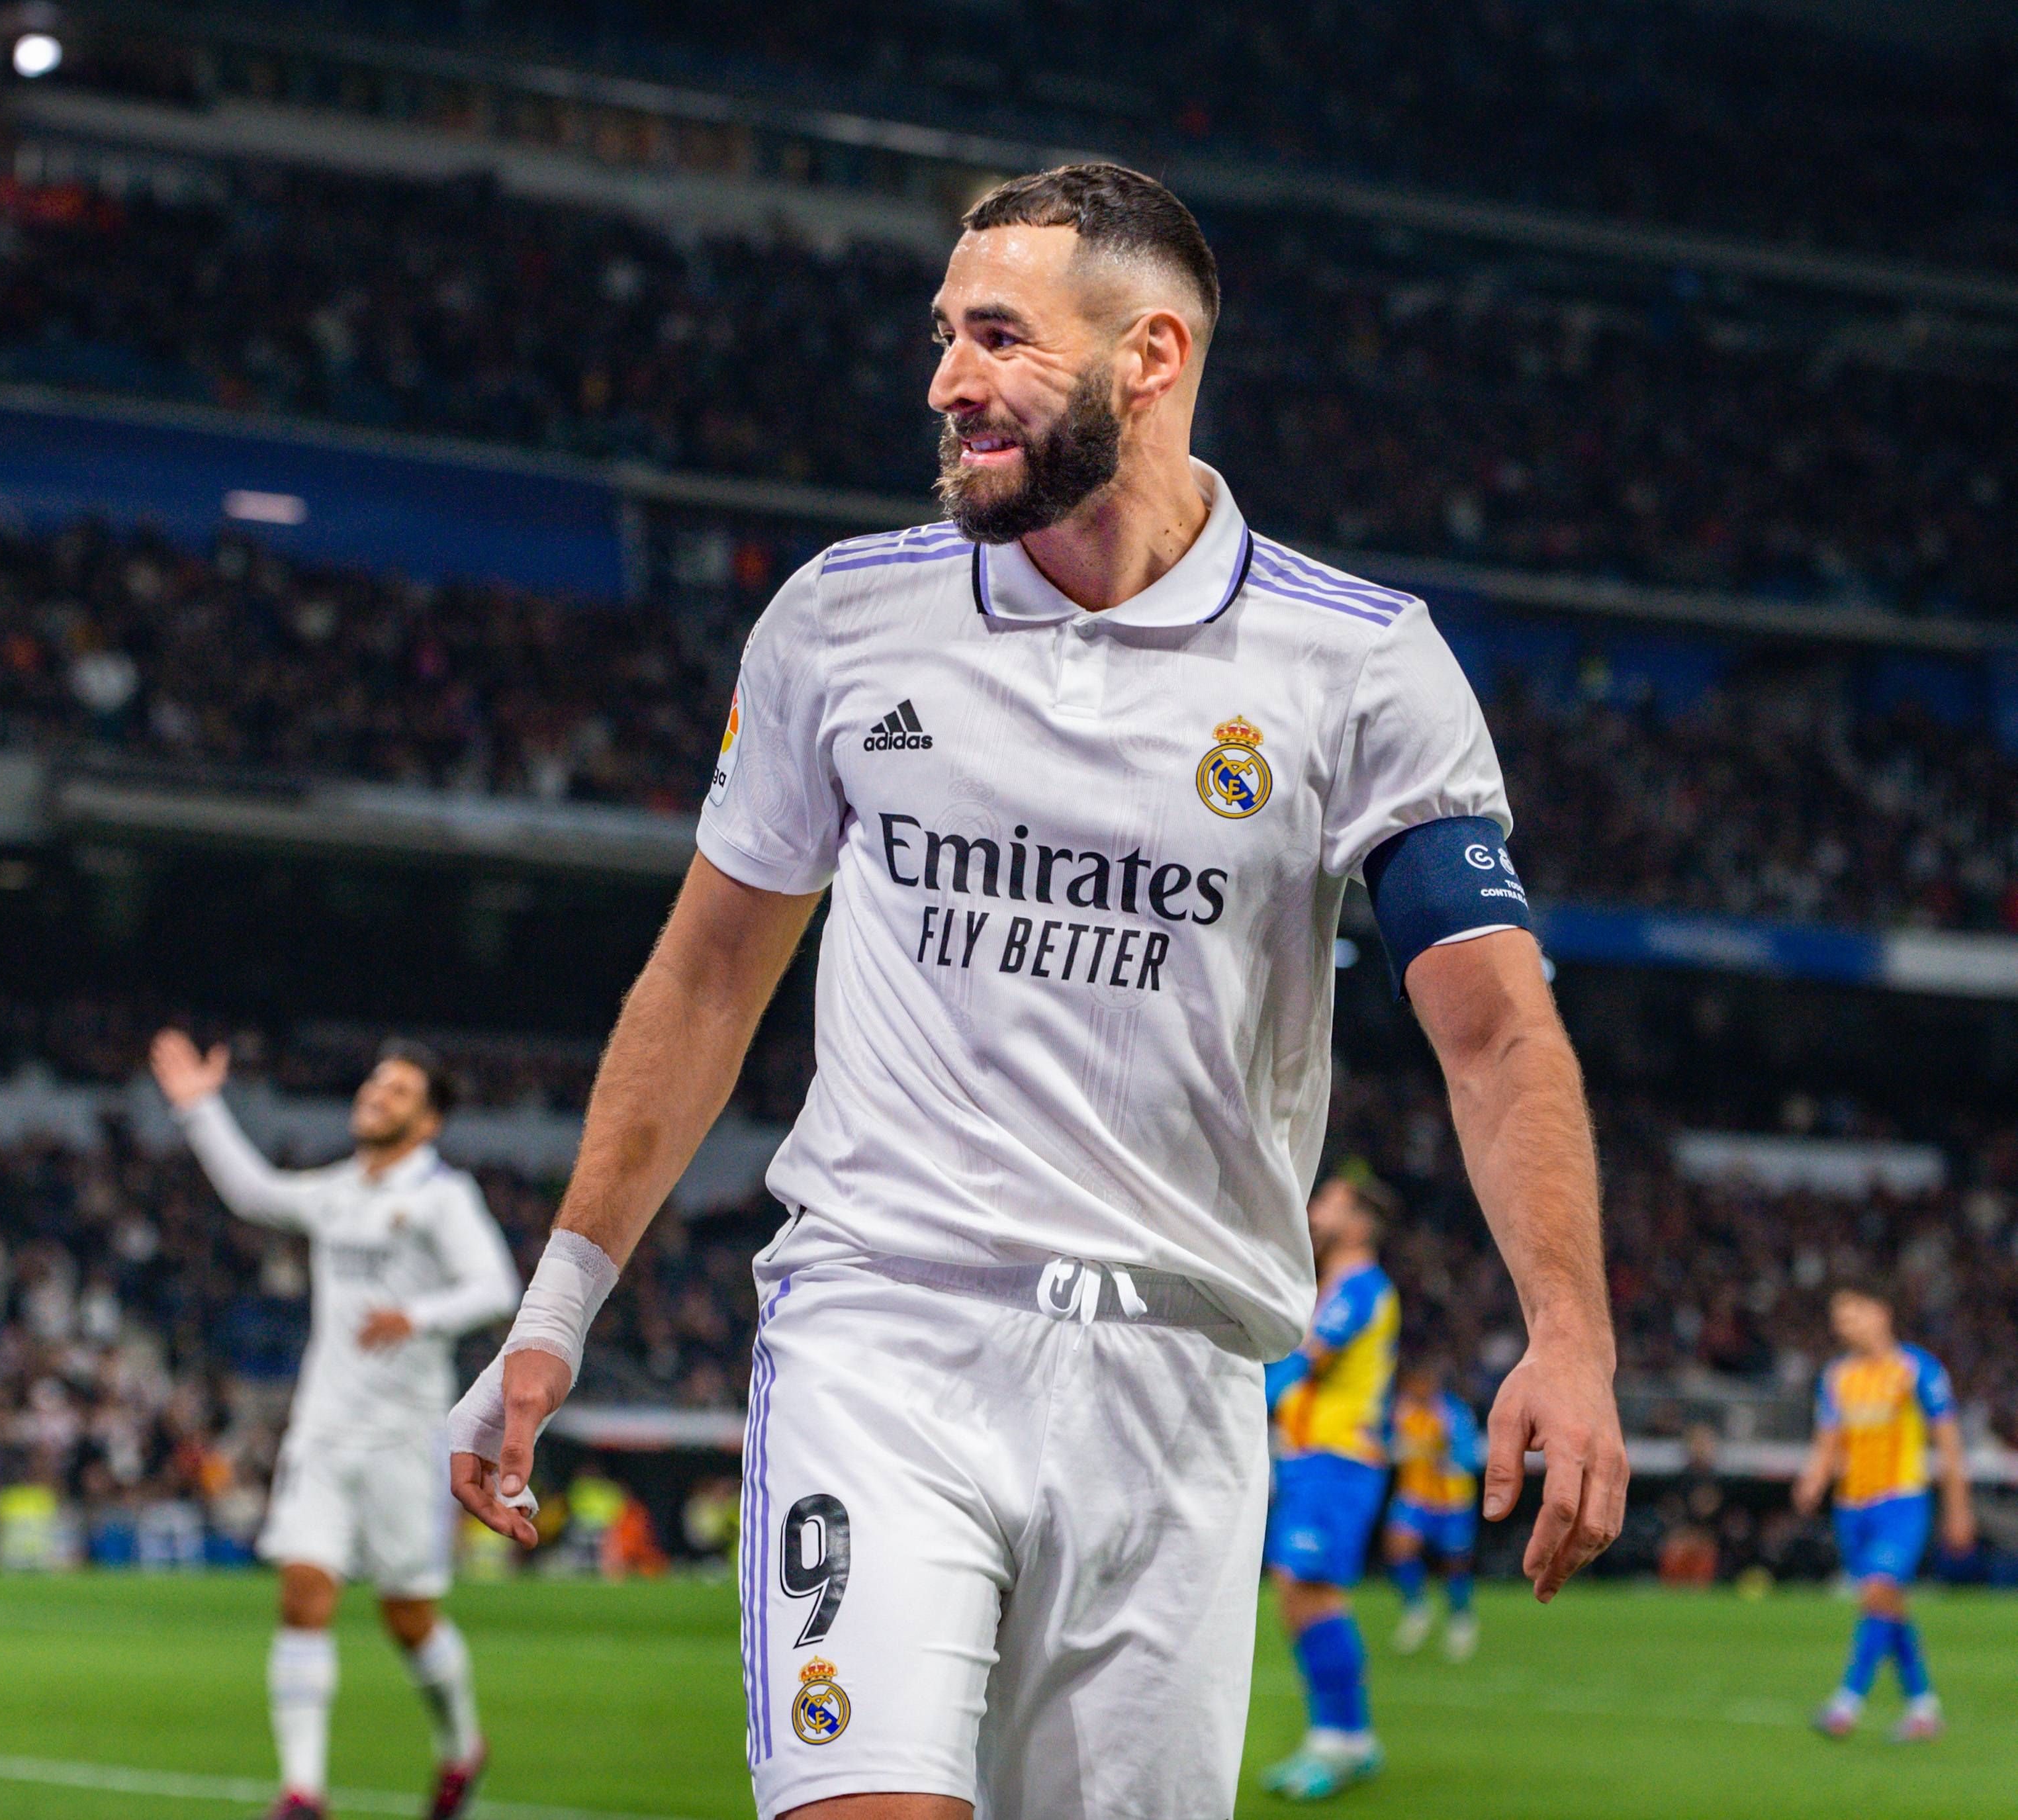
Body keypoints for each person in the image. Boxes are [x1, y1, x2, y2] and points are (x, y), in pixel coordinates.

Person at [448, 160, 1626, 1820]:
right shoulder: (844, 619)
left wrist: (1567, 1331)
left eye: (996, 335)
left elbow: (1495, 1021)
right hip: (884, 1326)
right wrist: (556, 1305)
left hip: (1178, 1374)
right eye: (944, 332)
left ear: (1149, 356)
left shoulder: (1359, 664)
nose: (944, 378)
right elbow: (708, 971)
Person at [152, 1032, 521, 1820]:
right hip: (322, 1429)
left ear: (426, 1123)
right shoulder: (342, 1188)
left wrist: (414, 1315)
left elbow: (495, 1285)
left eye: (396, 1092)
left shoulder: (441, 1196)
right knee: (302, 1591)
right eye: (374, 1084)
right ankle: (302, 1793)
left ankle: (462, 1745)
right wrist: (199, 1110)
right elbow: (254, 1192)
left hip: (404, 1438)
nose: (374, 1096)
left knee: (406, 1613)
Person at [1259, 1177, 1399, 1798]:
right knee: (1301, 1594)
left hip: (1337, 1458)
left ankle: (1339, 1741)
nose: (1314, 1211)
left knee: (1310, 1594)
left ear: (1362, 1223)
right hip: (1311, 1459)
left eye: (1330, 1204)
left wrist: (1241, 1400)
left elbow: (1305, 1362)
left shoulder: (1362, 1286)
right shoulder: (1329, 1286)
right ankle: (1345, 1736)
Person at [1792, 1286, 1976, 1743]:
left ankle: (1846, 1702)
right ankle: (1924, 1707)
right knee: (1887, 1605)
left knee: (1878, 1592)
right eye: (1838, 1315)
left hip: (1903, 1503)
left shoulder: (1918, 1369)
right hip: (1851, 1509)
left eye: (1852, 1311)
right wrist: (1813, 1478)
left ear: (1881, 1310)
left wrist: (1958, 1509)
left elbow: (1949, 1444)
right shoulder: (1836, 1376)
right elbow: (1828, 1441)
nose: (1843, 1323)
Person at [1384, 1355, 1485, 1662]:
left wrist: (1441, 1452)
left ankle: (1461, 1619)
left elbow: (1469, 1457)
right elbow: (1386, 1441)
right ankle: (1417, 1610)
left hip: (1452, 1500)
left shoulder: (1453, 1414)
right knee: (1398, 1547)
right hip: (1415, 1497)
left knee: (1454, 1563)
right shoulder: (1401, 1410)